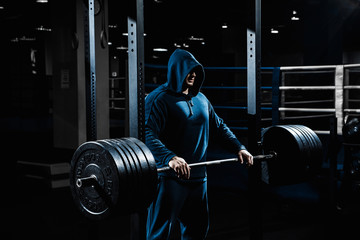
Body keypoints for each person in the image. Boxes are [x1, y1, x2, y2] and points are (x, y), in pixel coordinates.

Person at [145, 49, 253, 240]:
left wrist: (239, 147)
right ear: (177, 70)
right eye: (189, 70)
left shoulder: (202, 99)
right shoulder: (158, 99)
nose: (193, 74)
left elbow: (219, 127)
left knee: (197, 231)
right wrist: (169, 157)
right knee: (161, 234)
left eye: (196, 70)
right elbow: (146, 133)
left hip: (198, 179)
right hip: (169, 179)